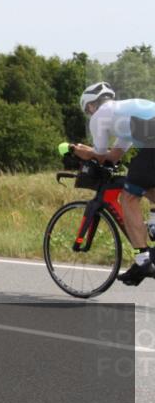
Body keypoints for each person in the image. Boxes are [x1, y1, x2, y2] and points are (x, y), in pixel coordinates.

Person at [70, 82, 155, 285]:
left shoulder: (100, 116)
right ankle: (153, 225)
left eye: (87, 111)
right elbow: (114, 156)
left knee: (129, 197)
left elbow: (99, 157)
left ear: (91, 105)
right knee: (149, 188)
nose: (89, 114)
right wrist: (95, 153)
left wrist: (77, 150)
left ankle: (143, 261)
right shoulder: (121, 117)